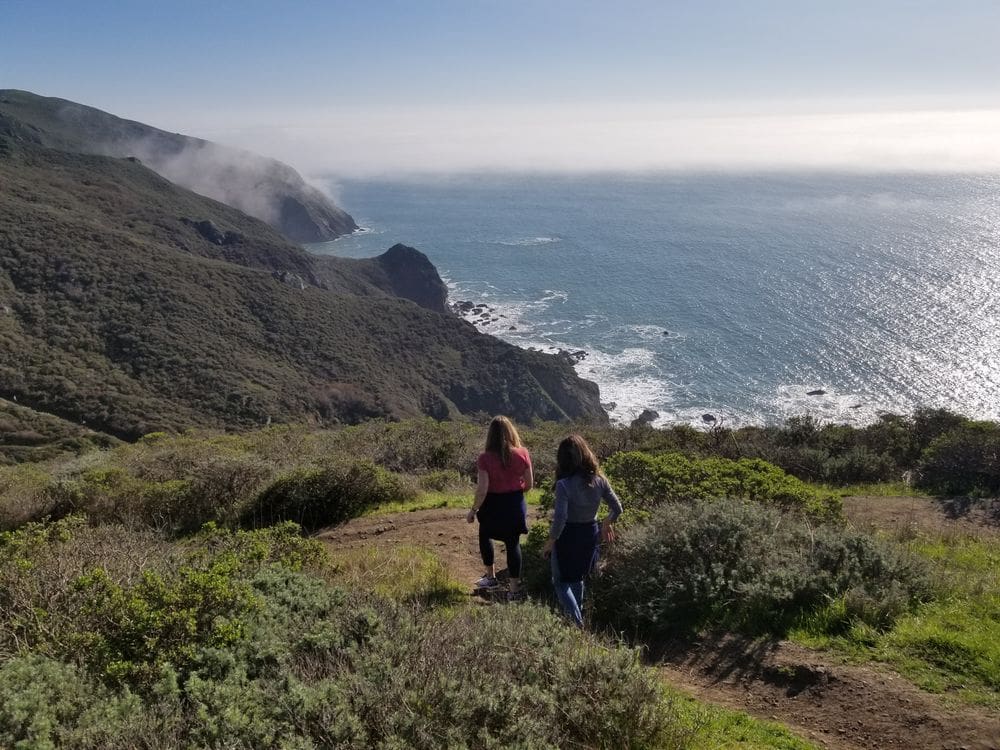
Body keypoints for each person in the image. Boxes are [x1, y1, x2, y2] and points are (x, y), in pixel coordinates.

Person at [542, 434, 622, 627]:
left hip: (568, 536)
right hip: (590, 534)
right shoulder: (600, 480)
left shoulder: (564, 485)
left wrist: (550, 542)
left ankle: (576, 624)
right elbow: (617, 508)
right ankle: (577, 621)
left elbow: (560, 518)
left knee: (560, 582)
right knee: (578, 579)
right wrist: (607, 523)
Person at [467, 415, 533, 600]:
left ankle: (491, 577)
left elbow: (482, 489)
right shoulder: (523, 453)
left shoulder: (484, 458)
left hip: (492, 505)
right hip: (514, 504)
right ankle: (514, 589)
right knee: (513, 544)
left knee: (485, 535)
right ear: (511, 431)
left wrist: (473, 510)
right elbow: (529, 484)